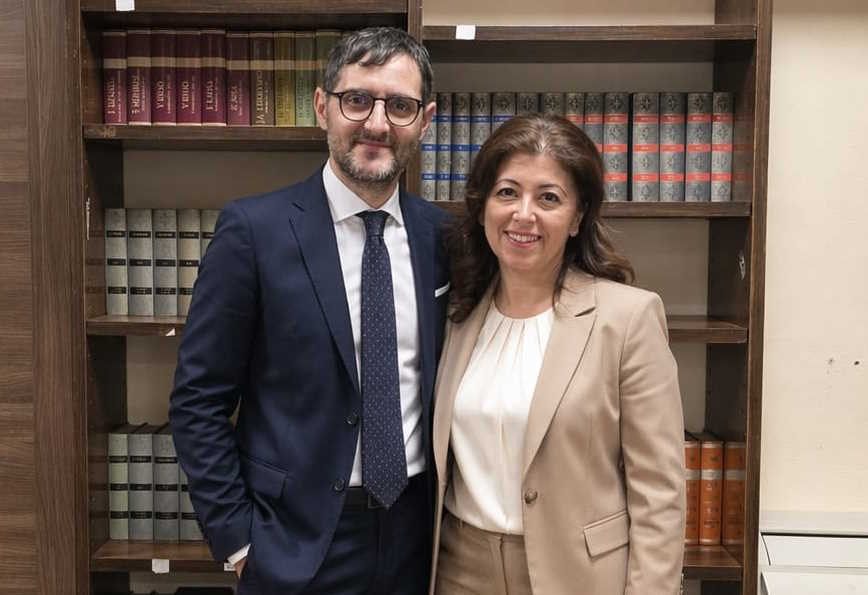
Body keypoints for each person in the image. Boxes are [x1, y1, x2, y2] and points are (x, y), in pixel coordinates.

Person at [169, 27, 450, 595]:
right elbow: (198, 399)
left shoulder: (443, 237)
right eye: (357, 100)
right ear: (323, 107)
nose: (377, 123)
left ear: (425, 121)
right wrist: (239, 541)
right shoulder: (254, 231)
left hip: (419, 536)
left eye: (399, 106)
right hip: (293, 542)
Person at [429, 114, 685, 595]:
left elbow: (659, 494)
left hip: (578, 575)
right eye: (507, 192)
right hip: (459, 571)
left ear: (577, 217)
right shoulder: (455, 315)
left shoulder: (627, 318)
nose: (523, 214)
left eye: (548, 198)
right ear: (482, 207)